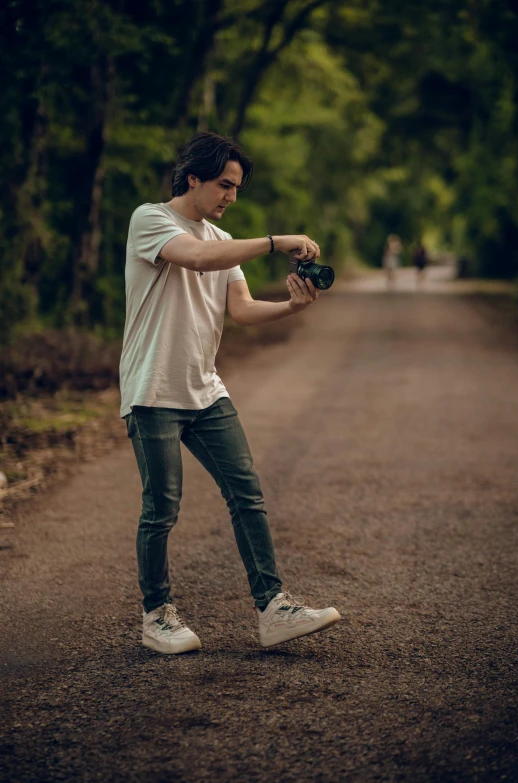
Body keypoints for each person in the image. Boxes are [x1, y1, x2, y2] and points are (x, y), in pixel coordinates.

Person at [119, 131, 341, 654]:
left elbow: (239, 310)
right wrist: (274, 242)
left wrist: (292, 307)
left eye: (236, 188)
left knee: (247, 494)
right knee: (162, 508)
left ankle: (273, 608)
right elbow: (193, 259)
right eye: (224, 185)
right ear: (193, 177)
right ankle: (157, 616)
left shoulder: (221, 242)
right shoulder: (149, 219)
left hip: (204, 391)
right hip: (153, 389)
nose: (230, 197)